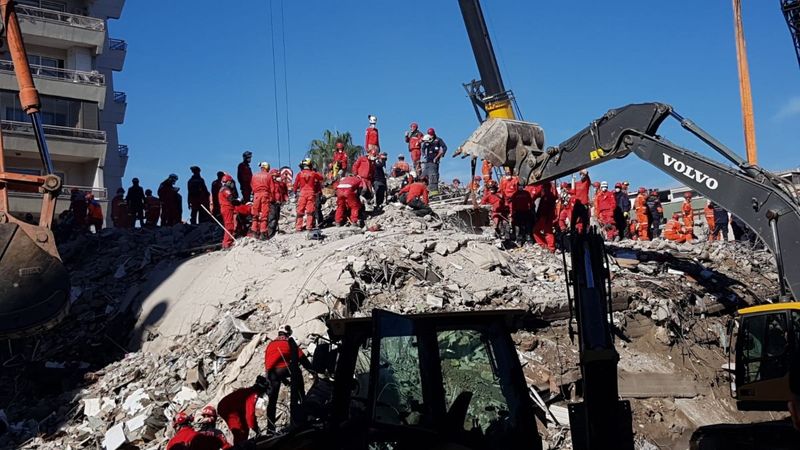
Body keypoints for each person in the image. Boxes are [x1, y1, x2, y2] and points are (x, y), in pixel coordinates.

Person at [264, 326, 314, 433]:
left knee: (272, 402)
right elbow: (302, 358)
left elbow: (270, 361)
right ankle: (302, 403)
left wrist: (284, 380)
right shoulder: (289, 342)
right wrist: (313, 372)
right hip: (283, 369)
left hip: (270, 373)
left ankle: (270, 429)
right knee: (297, 373)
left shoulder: (270, 344)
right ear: (288, 333)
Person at [218, 375, 270, 444]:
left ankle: (243, 444)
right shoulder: (253, 396)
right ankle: (239, 446)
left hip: (233, 408)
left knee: (245, 428)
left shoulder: (250, 391)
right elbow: (250, 416)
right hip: (228, 409)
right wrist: (257, 430)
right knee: (239, 431)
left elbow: (250, 417)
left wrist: (255, 428)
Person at [294, 159, 324, 231]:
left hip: (302, 193)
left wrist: (295, 192)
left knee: (300, 211)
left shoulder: (299, 174)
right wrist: (315, 171)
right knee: (310, 211)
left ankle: (298, 227)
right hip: (311, 193)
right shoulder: (313, 173)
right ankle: (309, 227)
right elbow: (321, 178)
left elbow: (295, 185)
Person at [249, 162, 273, 239]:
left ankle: (254, 232)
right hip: (265, 195)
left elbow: (251, 186)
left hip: (256, 196)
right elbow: (272, 188)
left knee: (255, 215)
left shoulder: (254, 175)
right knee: (264, 215)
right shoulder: (268, 175)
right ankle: (263, 232)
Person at [531, 181, 557, 252]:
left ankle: (545, 245)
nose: (542, 189)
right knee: (548, 231)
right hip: (547, 217)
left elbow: (545, 208)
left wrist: (542, 217)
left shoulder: (547, 196)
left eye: (543, 187)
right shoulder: (548, 196)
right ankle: (550, 247)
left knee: (536, 231)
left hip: (545, 217)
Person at [420, 128, 447, 194]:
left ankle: (434, 191)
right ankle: (424, 190)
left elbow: (444, 147)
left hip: (434, 162)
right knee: (423, 176)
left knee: (433, 176)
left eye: (431, 135)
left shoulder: (438, 140)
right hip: (427, 161)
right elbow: (423, 148)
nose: (431, 136)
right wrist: (423, 154)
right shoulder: (427, 140)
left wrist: (442, 155)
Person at [218, 173, 238, 249]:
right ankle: (227, 243)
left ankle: (227, 242)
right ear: (228, 182)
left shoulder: (223, 189)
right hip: (227, 209)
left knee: (229, 225)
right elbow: (231, 199)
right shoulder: (225, 189)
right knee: (229, 226)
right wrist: (238, 202)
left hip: (226, 208)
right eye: (231, 182)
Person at [268, 169, 288, 239]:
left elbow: (285, 192)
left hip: (278, 203)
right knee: (272, 218)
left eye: (276, 176)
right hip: (271, 203)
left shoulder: (281, 184)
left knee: (276, 217)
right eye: (274, 176)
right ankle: (270, 233)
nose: (275, 177)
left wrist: (285, 199)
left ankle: (274, 231)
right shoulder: (269, 184)